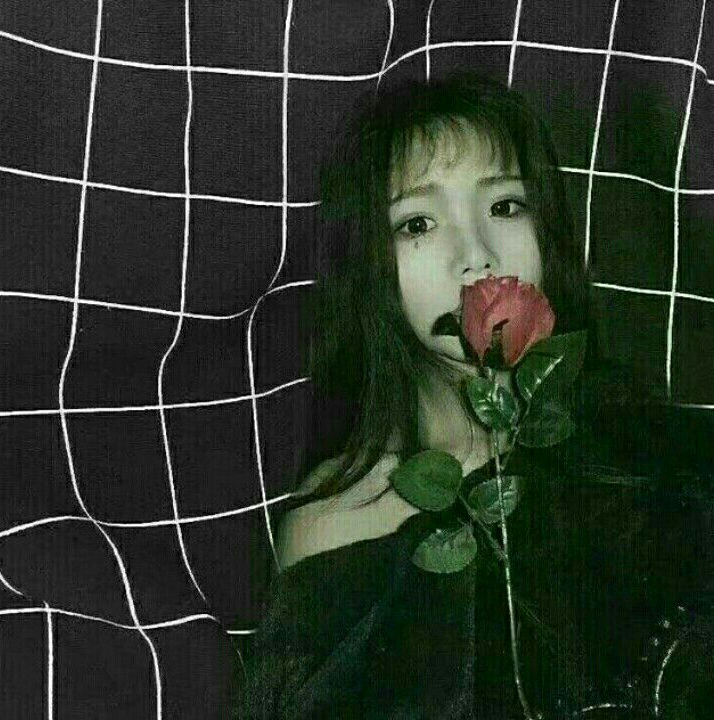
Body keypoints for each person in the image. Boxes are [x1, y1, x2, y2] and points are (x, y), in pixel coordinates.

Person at [232, 72, 714, 719]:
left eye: (505, 207)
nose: (477, 256)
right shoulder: (336, 525)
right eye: (418, 222)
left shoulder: (660, 456)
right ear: (368, 263)